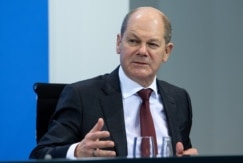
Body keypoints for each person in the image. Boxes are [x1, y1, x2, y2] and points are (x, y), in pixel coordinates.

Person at [29, 6, 198, 159]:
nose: (142, 51)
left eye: (152, 44)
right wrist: (77, 151)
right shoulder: (82, 96)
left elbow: (183, 150)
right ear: (119, 43)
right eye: (133, 41)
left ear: (166, 52)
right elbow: (40, 154)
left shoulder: (179, 99)